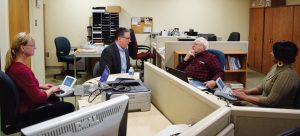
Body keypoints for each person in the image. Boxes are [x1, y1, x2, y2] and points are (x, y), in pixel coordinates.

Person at [5, 32, 74, 123]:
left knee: (55, 98)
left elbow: (22, 86)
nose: (35, 48)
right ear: (22, 48)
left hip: (24, 103)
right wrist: (52, 89)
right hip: (26, 111)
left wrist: (41, 86)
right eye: (32, 45)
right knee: (69, 106)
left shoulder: (14, 66)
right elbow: (39, 98)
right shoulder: (21, 70)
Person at [233, 41, 299, 108]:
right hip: (265, 106)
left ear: (279, 55)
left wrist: (244, 97)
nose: (271, 53)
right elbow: (260, 88)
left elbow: (271, 102)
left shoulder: (286, 75)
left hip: (275, 112)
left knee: (232, 108)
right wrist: (245, 92)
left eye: (273, 52)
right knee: (233, 103)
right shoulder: (276, 67)